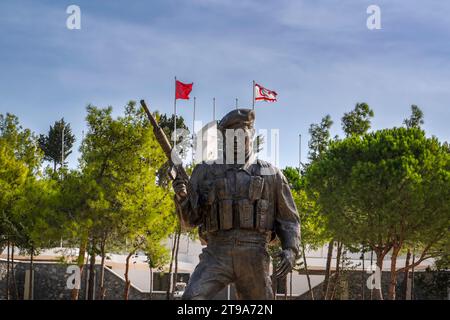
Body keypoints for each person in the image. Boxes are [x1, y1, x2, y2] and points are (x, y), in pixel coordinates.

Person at [173, 108, 300, 300]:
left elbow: (289, 220)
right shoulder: (204, 172)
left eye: (242, 134)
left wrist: (291, 250)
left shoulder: (271, 174)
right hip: (216, 252)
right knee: (192, 298)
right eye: (231, 136)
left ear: (252, 134)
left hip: (254, 253)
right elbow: (190, 221)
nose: (237, 140)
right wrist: (182, 197)